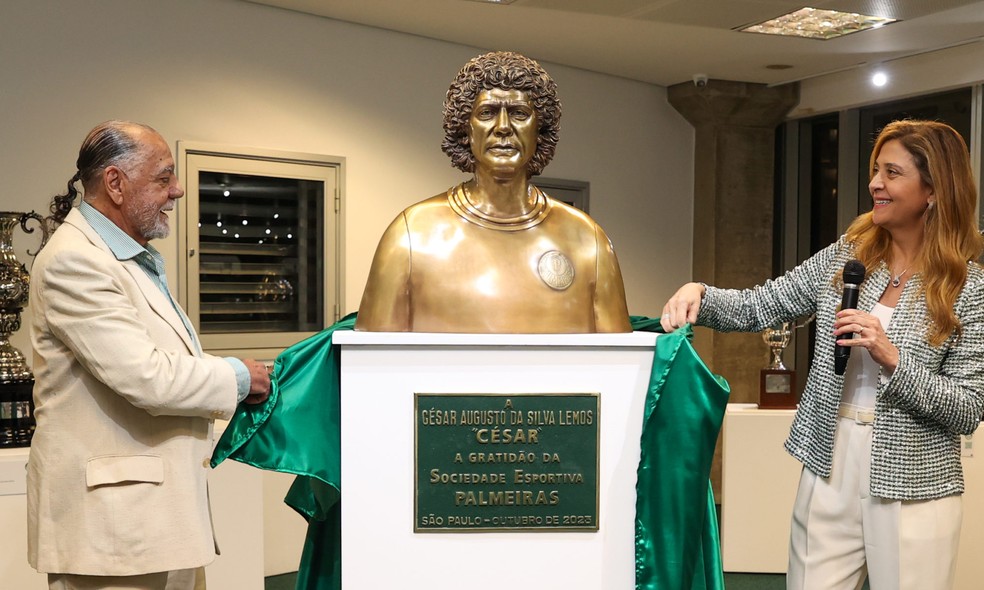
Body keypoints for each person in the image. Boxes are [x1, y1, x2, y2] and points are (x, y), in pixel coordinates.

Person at [661, 119, 984, 590]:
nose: (875, 184)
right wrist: (701, 294)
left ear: (933, 190)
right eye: (875, 170)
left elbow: (968, 408)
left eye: (892, 173)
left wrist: (892, 358)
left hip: (914, 483)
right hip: (830, 461)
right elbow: (762, 304)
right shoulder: (849, 255)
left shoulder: (968, 288)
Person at [27, 120, 272, 590]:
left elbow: (160, 359)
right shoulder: (75, 260)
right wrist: (241, 378)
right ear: (115, 183)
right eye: (164, 177)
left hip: (157, 525)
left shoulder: (125, 258)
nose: (177, 190)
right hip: (115, 539)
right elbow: (148, 378)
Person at [355, 51, 631, 333]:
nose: (503, 128)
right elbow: (371, 354)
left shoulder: (588, 239)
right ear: (465, 129)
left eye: (519, 113)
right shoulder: (410, 235)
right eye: (487, 113)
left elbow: (620, 355)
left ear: (540, 130)